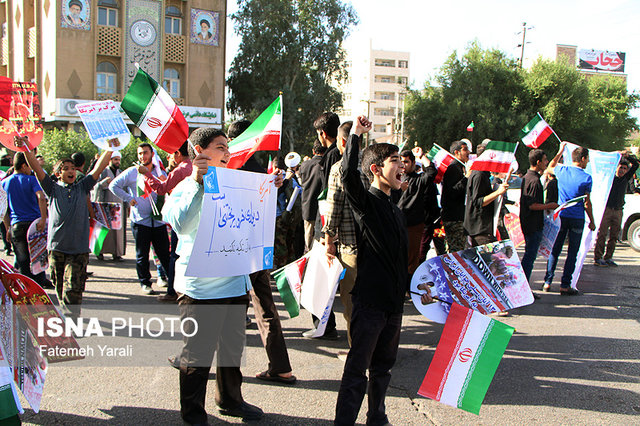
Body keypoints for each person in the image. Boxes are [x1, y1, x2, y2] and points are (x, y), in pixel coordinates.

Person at [162, 128, 281, 423]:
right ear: (199, 150)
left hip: (233, 282)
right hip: (200, 289)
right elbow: (179, 224)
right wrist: (197, 182)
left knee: (231, 350)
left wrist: (270, 186)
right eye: (220, 147)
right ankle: (193, 414)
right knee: (197, 355)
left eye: (227, 147)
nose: (227, 153)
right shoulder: (185, 186)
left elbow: (256, 220)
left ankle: (230, 399)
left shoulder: (236, 184)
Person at [335, 116, 432, 425]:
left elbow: (398, 261)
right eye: (394, 162)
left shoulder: (395, 207)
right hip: (369, 303)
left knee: (383, 367)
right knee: (356, 369)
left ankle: (377, 416)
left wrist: (416, 288)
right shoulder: (368, 202)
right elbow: (349, 174)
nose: (401, 166)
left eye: (402, 162)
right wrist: (356, 136)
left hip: (392, 305)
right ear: (376, 170)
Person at [230, 119, 297, 385]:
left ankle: (196, 360)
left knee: (222, 307)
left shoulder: (227, 169)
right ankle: (281, 366)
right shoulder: (261, 172)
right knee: (264, 307)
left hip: (232, 250)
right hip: (258, 249)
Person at [19, 136, 112, 318]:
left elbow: (99, 167)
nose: (71, 171)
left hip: (78, 250)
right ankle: (66, 318)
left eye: (72, 168)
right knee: (60, 287)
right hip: (57, 248)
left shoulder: (82, 187)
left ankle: (71, 323)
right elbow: (37, 170)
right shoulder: (52, 189)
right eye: (65, 169)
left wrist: (111, 147)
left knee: (73, 288)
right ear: (58, 174)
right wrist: (24, 148)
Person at [321, 121, 363, 349]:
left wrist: (328, 242)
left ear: (343, 142)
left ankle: (358, 353)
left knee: (352, 305)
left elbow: (334, 207)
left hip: (351, 248)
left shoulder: (339, 169)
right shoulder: (371, 165)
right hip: (374, 248)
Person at [109, 143, 171, 295]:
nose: (143, 156)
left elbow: (168, 189)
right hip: (140, 220)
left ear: (152, 154)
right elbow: (113, 185)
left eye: (145, 153)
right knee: (141, 254)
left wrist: (165, 182)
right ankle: (145, 283)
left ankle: (172, 282)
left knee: (164, 253)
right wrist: (128, 198)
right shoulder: (132, 172)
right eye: (140, 154)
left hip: (158, 220)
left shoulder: (159, 171)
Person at [141, 142, 192, 302]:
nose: (170, 157)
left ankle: (172, 291)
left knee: (175, 255)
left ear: (178, 153)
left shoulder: (182, 169)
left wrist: (146, 174)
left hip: (181, 218)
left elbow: (161, 189)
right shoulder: (195, 166)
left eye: (172, 153)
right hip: (195, 218)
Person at [543, 143, 595, 295]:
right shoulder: (586, 178)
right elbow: (587, 203)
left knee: (555, 249)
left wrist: (559, 150)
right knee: (572, 252)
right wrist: (591, 220)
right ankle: (565, 284)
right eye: (587, 159)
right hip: (577, 217)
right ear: (583, 158)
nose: (588, 162)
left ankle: (547, 281)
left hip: (561, 216)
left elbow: (550, 166)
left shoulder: (562, 170)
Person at [2, 151, 51, 288]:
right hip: (34, 225)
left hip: (16, 226)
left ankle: (25, 291)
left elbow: (4, 209)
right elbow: (41, 197)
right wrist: (43, 218)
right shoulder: (31, 179)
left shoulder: (5, 182)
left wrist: (8, 228)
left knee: (22, 260)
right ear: (24, 166)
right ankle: (38, 289)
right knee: (38, 259)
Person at [395, 148, 436, 276]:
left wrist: (421, 156)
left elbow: (431, 172)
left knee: (412, 260)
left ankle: (409, 288)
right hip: (396, 224)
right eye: (401, 162)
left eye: (406, 162)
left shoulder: (419, 180)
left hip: (413, 226)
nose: (403, 165)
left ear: (413, 163)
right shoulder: (394, 179)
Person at [519, 149, 558, 282]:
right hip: (532, 224)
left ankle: (524, 286)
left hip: (530, 223)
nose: (546, 162)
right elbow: (532, 205)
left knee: (530, 255)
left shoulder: (528, 177)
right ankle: (524, 286)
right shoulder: (534, 180)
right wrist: (549, 206)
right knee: (530, 256)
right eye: (545, 160)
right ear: (538, 162)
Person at [594, 152, 639, 266]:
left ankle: (608, 257)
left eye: (624, 168)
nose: (622, 170)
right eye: (620, 168)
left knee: (614, 235)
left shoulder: (626, 178)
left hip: (618, 210)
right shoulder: (610, 178)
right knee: (602, 234)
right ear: (616, 168)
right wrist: (617, 155)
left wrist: (626, 156)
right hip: (607, 209)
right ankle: (598, 257)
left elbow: (636, 165)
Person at [463, 162, 508, 247]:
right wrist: (498, 192)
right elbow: (478, 202)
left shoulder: (483, 174)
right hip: (480, 230)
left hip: (483, 228)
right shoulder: (479, 175)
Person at [92, 150, 126, 261]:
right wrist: (103, 183)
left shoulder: (121, 173)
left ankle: (117, 253)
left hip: (118, 206)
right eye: (115, 160)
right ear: (110, 160)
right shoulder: (103, 172)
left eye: (119, 160)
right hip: (105, 204)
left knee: (117, 230)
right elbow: (94, 186)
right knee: (103, 229)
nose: (117, 162)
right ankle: (99, 252)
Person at [441, 140, 469, 252]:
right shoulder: (453, 168)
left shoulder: (460, 167)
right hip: (453, 218)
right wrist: (466, 178)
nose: (468, 152)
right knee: (456, 250)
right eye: (465, 149)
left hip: (459, 215)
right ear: (456, 152)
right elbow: (453, 191)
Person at [299, 141, 326, 251]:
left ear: (313, 151)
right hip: (322, 209)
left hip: (307, 206)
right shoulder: (326, 164)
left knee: (308, 242)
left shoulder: (304, 165)